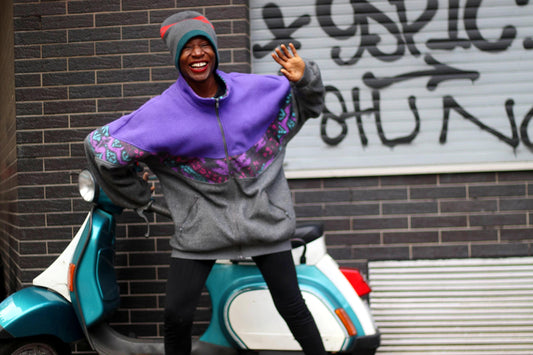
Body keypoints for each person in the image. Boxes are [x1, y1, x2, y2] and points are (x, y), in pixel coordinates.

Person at [84, 10, 326, 355]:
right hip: (201, 233)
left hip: (265, 225)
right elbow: (101, 148)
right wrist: (138, 196)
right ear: (176, 58)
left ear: (214, 51)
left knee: (293, 308)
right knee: (176, 316)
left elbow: (310, 105)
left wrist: (305, 80)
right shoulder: (161, 112)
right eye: (187, 48)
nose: (197, 53)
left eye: (203, 45)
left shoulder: (255, 90)